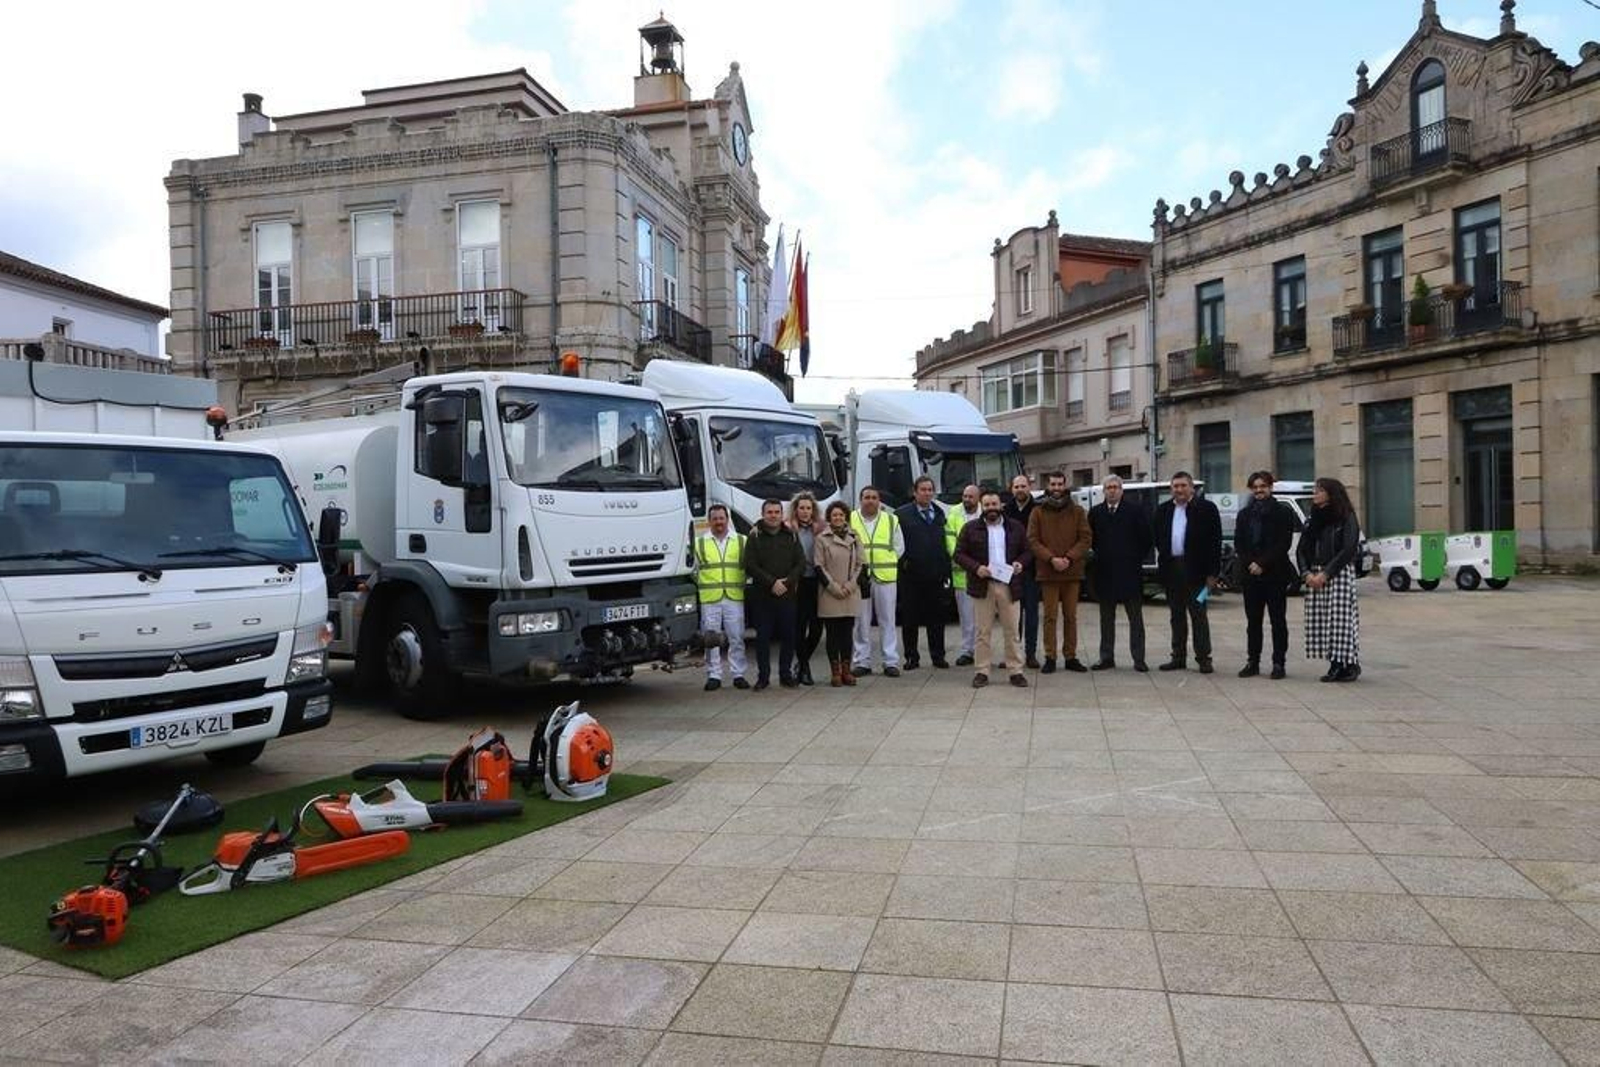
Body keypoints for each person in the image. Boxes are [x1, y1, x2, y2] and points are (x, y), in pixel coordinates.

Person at [953, 489, 1032, 689]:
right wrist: (976, 568)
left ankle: (1015, 671)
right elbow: (959, 554)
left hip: (1009, 585)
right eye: (987, 505)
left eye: (994, 504)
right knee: (983, 631)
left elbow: (1028, 551)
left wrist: (1020, 564)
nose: (991, 509)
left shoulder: (1015, 527)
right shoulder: (970, 528)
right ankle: (982, 671)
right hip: (983, 586)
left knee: (1012, 630)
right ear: (982, 506)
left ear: (1001, 505)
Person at [1152, 471, 1222, 673]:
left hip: (1198, 573)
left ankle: (1203, 658)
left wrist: (1213, 574)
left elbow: (1215, 542)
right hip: (1172, 570)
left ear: (1192, 488)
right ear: (1171, 489)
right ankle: (1178, 657)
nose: (1179, 490)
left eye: (1183, 485)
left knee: (1198, 615)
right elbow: (1158, 537)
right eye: (1175, 486)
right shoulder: (1163, 510)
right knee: (1176, 616)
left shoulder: (1206, 509)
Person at [1234, 470, 1302, 680]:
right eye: (1255, 487)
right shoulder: (1244, 514)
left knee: (1277, 621)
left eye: (1262, 486)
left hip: (1275, 574)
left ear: (1270, 487)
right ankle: (1253, 661)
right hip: (1250, 575)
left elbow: (1284, 543)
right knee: (1253, 622)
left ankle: (1278, 662)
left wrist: (1262, 563)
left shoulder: (1282, 512)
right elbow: (1239, 543)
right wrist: (1250, 564)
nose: (1258, 490)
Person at [1296, 477, 1363, 683]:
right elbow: (1302, 548)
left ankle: (1347, 663)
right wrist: (1306, 573)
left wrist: (1327, 573)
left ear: (1331, 493)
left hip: (1338, 572)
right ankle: (1334, 662)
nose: (1315, 494)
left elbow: (1349, 547)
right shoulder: (1313, 518)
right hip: (1315, 572)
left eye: (1319, 491)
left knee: (1341, 619)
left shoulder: (1346, 516)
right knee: (1324, 620)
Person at [1027, 472, 1093, 673]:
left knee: (1070, 616)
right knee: (1050, 617)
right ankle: (1050, 656)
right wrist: (1051, 559)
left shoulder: (1077, 511)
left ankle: (1070, 656)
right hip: (1048, 572)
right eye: (1053, 484)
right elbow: (1032, 540)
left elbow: (1085, 538)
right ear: (1048, 485)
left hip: (1071, 572)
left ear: (1065, 486)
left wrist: (1069, 558)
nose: (1056, 487)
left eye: (1060, 484)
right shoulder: (1037, 512)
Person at [1088, 475, 1151, 672]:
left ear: (1122, 490)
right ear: (1103, 491)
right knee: (1106, 619)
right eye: (1108, 487)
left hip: (1130, 573)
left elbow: (1146, 539)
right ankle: (1106, 657)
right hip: (1105, 573)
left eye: (1115, 487)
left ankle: (1139, 658)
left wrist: (1133, 559)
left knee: (1136, 619)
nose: (1112, 491)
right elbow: (1092, 540)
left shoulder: (1135, 511)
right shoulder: (1095, 513)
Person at [744, 498, 806, 690]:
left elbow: (801, 563)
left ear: (782, 514)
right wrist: (772, 583)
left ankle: (785, 675)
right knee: (763, 638)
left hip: (787, 595)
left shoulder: (791, 536)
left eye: (777, 512)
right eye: (769, 512)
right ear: (763, 514)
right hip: (763, 596)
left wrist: (786, 582)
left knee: (789, 636)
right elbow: (750, 565)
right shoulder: (754, 536)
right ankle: (763, 677)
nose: (773, 515)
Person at [896, 475, 950, 670]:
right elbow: (896, 544)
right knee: (910, 618)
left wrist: (945, 572)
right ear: (915, 492)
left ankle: (938, 656)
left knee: (937, 618)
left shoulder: (940, 513)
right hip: (911, 576)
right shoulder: (901, 514)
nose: (927, 493)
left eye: (930, 490)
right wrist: (904, 566)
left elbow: (945, 543)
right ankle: (911, 657)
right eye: (923, 490)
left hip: (936, 575)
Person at [850, 486, 905, 677]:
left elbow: (899, 548)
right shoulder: (851, 519)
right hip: (860, 577)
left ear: (879, 501)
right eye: (866, 497)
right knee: (861, 621)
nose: (870, 500)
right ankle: (862, 661)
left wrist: (884, 561)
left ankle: (890, 661)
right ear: (860, 499)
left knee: (888, 620)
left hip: (885, 576)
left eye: (874, 497)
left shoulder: (891, 519)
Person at [695, 503, 748, 691]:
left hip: (734, 596)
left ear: (727, 520)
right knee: (711, 639)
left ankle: (738, 674)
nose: (719, 522)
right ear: (709, 521)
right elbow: (694, 570)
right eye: (715, 518)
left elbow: (747, 566)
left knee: (737, 637)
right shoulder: (699, 543)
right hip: (710, 598)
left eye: (722, 518)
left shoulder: (742, 540)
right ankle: (714, 675)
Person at [813, 501, 863, 687]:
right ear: (829, 518)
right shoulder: (821, 539)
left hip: (850, 592)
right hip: (830, 593)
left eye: (841, 515)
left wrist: (850, 586)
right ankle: (835, 672)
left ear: (846, 517)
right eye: (834, 515)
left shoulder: (854, 537)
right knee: (832, 634)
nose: (838, 518)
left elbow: (861, 564)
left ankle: (847, 670)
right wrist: (834, 588)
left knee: (847, 634)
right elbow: (819, 566)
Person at [1005, 474, 1041, 668]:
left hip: (1033, 569)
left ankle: (1031, 654)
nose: (1020, 489)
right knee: (1011, 616)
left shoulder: (1038, 509)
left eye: (1023, 486)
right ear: (1012, 489)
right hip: (1009, 571)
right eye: (1016, 486)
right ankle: (1012, 654)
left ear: (1029, 487)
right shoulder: (1005, 510)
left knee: (1032, 615)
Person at [789, 493, 824, 686]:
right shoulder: (788, 529)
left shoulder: (820, 529)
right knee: (799, 627)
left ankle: (802, 663)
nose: (805, 512)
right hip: (798, 582)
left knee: (817, 628)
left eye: (808, 508)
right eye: (801, 508)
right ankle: (804, 668)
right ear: (796, 510)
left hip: (816, 581)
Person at [945, 484, 982, 666]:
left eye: (970, 497)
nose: (967, 500)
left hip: (984, 573)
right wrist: (965, 561)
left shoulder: (986, 511)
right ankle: (967, 651)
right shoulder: (954, 513)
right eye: (965, 496)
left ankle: (982, 650)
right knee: (966, 616)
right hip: (962, 574)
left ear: (978, 498)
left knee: (983, 616)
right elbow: (950, 540)